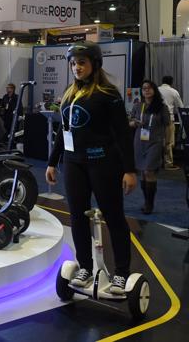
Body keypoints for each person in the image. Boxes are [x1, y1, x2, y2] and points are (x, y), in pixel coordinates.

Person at [45, 41, 136, 294]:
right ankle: (85, 267)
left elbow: (122, 134)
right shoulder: (70, 93)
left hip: (103, 163)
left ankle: (121, 273)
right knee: (77, 216)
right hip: (74, 164)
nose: (76, 67)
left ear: (95, 64)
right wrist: (52, 161)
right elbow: (64, 131)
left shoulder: (108, 94)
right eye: (73, 63)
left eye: (81, 63)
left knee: (113, 216)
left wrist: (130, 170)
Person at [129, 80, 168, 214]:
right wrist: (134, 123)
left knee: (149, 171)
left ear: (154, 90)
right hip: (139, 143)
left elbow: (168, 126)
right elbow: (130, 122)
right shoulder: (138, 105)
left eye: (149, 88)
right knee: (143, 174)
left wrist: (168, 143)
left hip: (155, 142)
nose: (146, 90)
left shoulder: (162, 107)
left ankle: (149, 204)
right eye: (144, 88)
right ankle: (146, 201)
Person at [158, 76, 184, 170]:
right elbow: (180, 107)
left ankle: (157, 162)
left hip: (156, 119)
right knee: (169, 142)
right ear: (171, 82)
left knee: (157, 141)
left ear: (162, 81)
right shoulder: (173, 92)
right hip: (169, 119)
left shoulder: (156, 90)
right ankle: (168, 163)